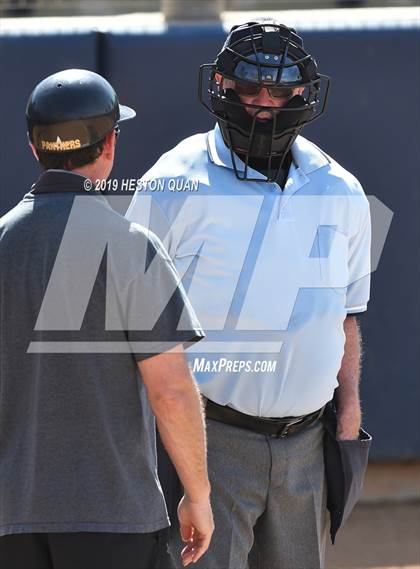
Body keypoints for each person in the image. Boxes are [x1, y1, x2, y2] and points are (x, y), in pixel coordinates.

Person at [126, 19, 371, 569]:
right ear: (221, 86)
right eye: (251, 87)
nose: (265, 102)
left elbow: (347, 315)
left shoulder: (341, 189)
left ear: (304, 92)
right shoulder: (172, 180)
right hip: (210, 442)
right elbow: (131, 322)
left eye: (280, 88)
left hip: (309, 444)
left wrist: (349, 407)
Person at [0, 68, 214, 569]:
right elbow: (171, 391)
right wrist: (198, 496)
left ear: (34, 148)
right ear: (109, 144)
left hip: (11, 521)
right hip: (117, 520)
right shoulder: (131, 246)